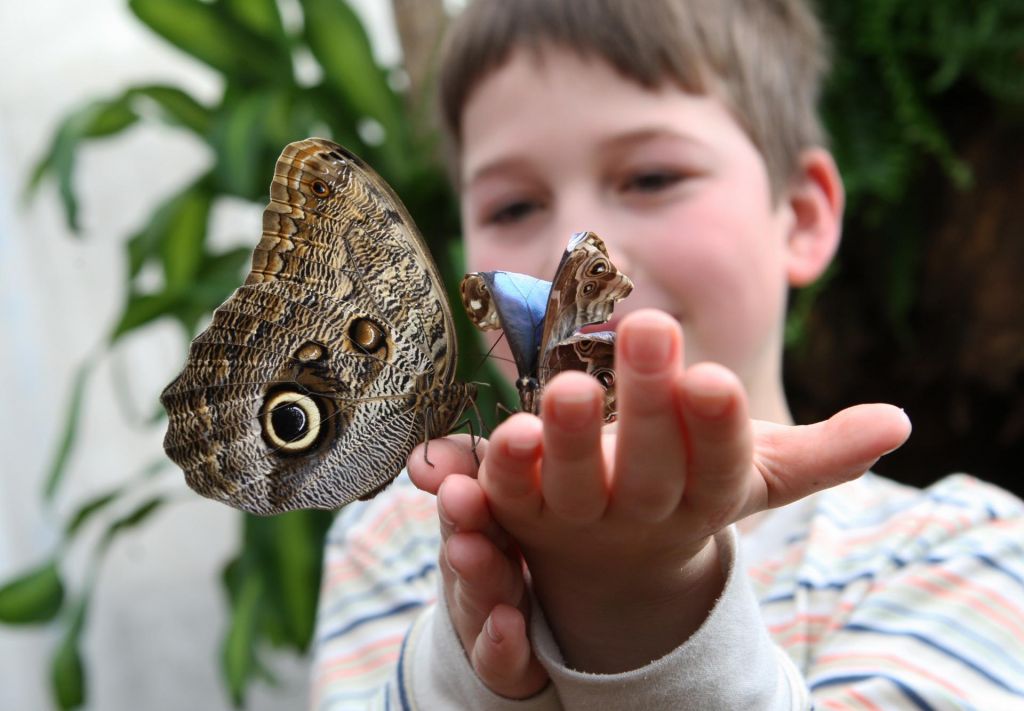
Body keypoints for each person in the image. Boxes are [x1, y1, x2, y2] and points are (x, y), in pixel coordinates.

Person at [311, 0, 1024, 708]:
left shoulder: (964, 553)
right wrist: (465, 676)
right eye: (514, 207)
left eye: (652, 178)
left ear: (801, 216)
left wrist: (643, 609)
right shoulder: (403, 536)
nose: (580, 242)